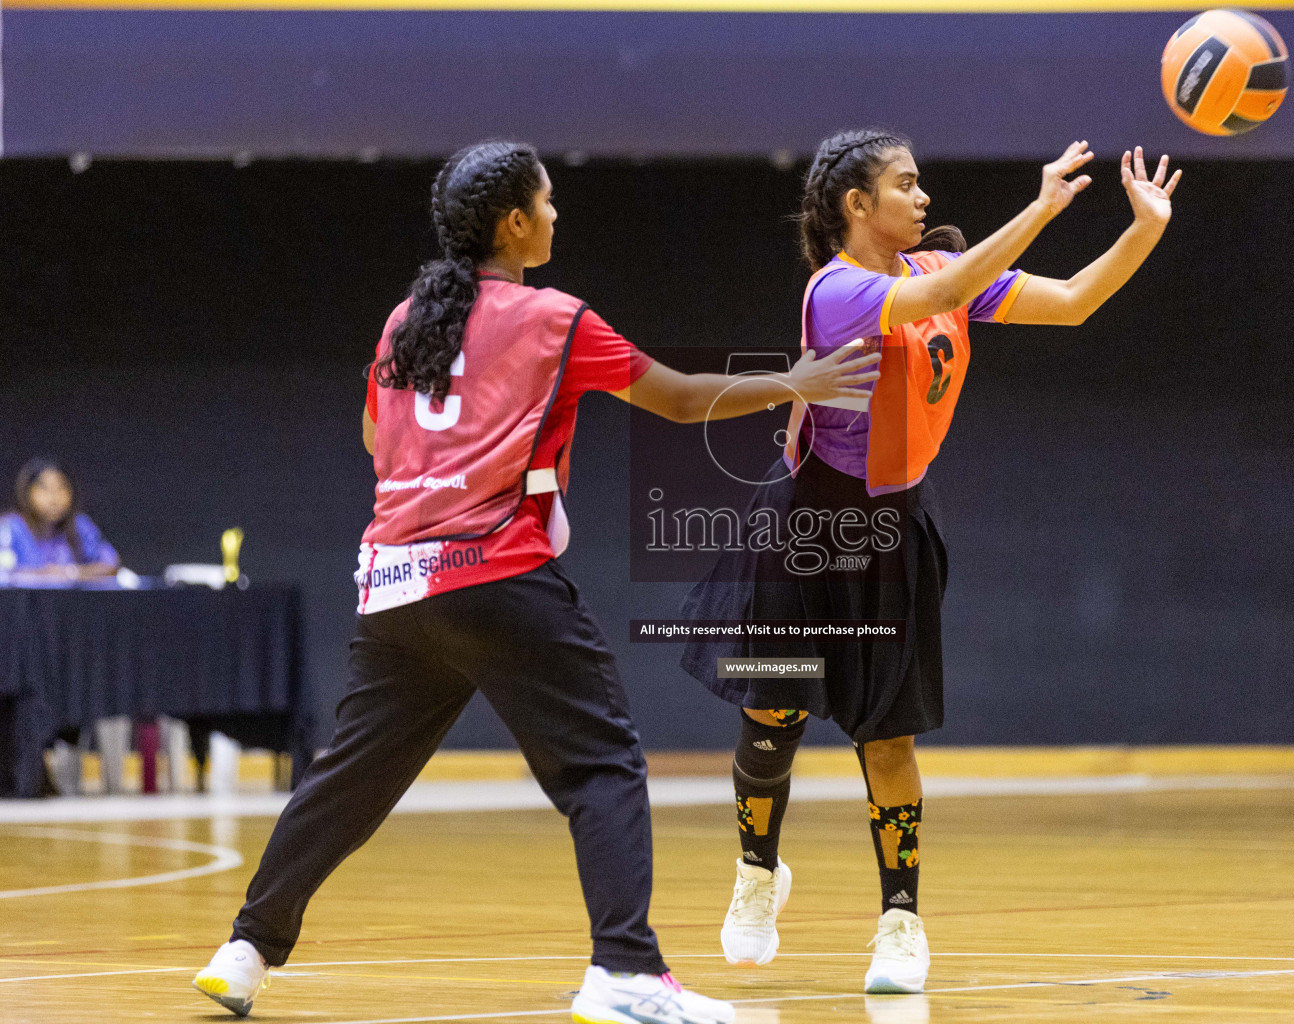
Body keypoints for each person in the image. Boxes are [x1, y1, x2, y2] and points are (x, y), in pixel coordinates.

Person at [192, 139, 879, 1022]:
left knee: (348, 780)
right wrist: (796, 382)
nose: (557, 215)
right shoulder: (554, 318)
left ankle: (245, 948)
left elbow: (375, 436)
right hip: (498, 573)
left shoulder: (406, 320)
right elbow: (673, 398)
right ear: (515, 223)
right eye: (548, 203)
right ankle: (626, 971)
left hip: (395, 587)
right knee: (603, 767)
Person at [681, 130, 1181, 993]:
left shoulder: (927, 277)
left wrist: (1144, 230)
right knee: (773, 723)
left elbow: (1069, 301)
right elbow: (955, 282)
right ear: (856, 205)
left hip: (893, 530)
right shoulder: (836, 291)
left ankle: (901, 923)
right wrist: (1042, 205)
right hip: (804, 531)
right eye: (905, 186)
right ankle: (757, 874)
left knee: (888, 737)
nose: (923, 199)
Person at [0, 459, 120, 583]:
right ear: (27, 492)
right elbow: (4, 574)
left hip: (70, 601)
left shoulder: (80, 525)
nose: (53, 498)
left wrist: (70, 572)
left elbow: (111, 565)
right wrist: (47, 576)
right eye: (44, 489)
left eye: (61, 488)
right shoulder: (8, 528)